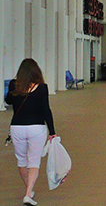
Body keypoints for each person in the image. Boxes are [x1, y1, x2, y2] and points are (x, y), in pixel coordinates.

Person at [5, 59, 56, 206]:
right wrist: (52, 131)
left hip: (17, 128)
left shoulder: (15, 85)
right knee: (34, 161)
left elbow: (8, 101)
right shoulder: (42, 87)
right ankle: (28, 194)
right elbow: (46, 110)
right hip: (36, 128)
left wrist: (14, 92)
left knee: (21, 161)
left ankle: (29, 189)